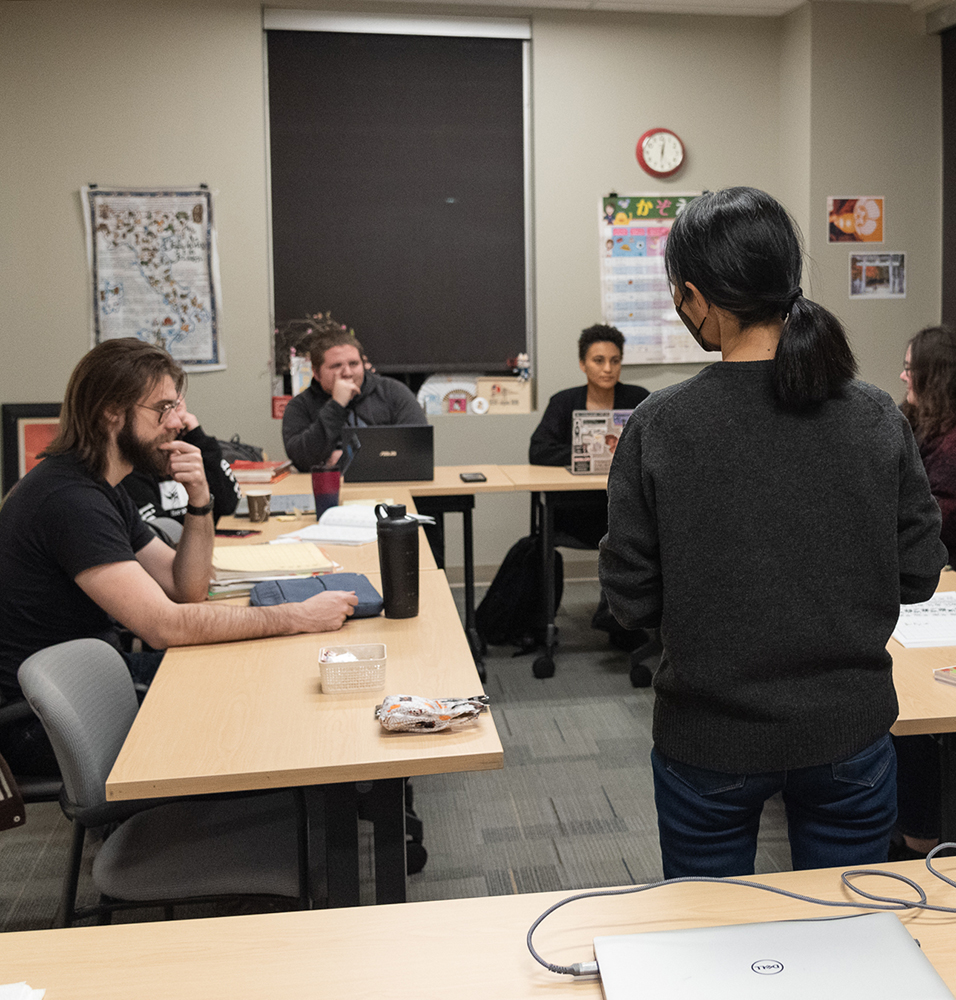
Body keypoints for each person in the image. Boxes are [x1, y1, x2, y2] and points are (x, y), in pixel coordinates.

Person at [598, 187, 946, 879]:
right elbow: (917, 574)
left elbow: (630, 602)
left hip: (708, 738)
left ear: (695, 297)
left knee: (709, 938)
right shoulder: (877, 415)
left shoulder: (661, 426)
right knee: (850, 933)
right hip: (850, 731)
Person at [0, 339, 357, 775]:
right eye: (162, 409)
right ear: (112, 412)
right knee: (268, 693)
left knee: (264, 669)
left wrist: (200, 500)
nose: (176, 423)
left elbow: (185, 589)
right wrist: (296, 615)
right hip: (52, 717)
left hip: (94, 680)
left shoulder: (100, 486)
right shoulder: (68, 499)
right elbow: (165, 625)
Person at [529, 325, 651, 678]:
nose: (608, 369)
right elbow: (537, 450)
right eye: (599, 360)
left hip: (622, 512)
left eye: (615, 361)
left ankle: (620, 616)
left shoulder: (638, 397)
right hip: (573, 512)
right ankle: (551, 624)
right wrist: (586, 454)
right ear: (583, 364)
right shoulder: (564, 402)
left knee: (642, 535)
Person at [890, 324, 956, 860]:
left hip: (941, 589)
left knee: (907, 704)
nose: (903, 377)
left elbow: (927, 526)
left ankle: (921, 838)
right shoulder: (919, 426)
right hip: (929, 589)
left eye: (912, 368)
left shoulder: (952, 446)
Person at [282, 328, 427, 471]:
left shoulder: (393, 392)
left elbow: (418, 448)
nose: (347, 373)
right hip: (327, 489)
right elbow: (301, 459)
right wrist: (336, 405)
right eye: (336, 366)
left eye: (354, 364)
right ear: (316, 373)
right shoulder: (300, 406)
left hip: (388, 485)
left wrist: (347, 459)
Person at [122, 399, 243, 529]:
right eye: (163, 409)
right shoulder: (131, 469)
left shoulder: (189, 443)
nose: (177, 422)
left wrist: (197, 436)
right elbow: (162, 534)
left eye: (176, 406)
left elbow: (228, 506)